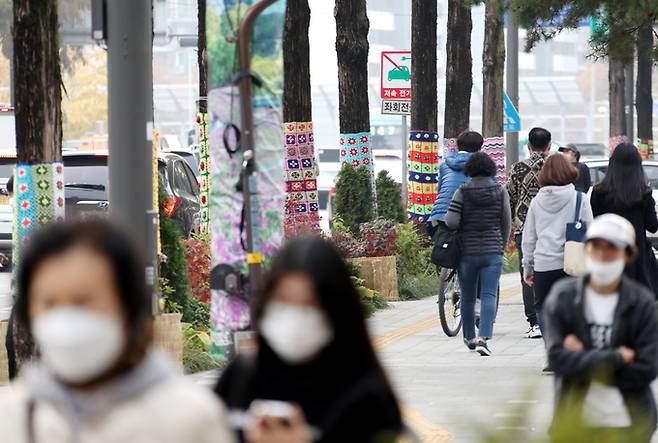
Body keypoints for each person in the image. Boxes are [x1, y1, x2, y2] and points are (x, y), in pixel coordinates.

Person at [0, 220, 235, 443]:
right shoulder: (12, 416)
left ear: (128, 305)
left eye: (82, 301)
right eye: (49, 303)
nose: (65, 319)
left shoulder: (189, 419)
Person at [215, 237, 403, 443]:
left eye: (310, 305)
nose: (295, 319)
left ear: (337, 311)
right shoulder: (242, 377)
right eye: (283, 302)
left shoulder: (367, 402)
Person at [543, 214, 658, 443]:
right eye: (596, 247)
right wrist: (619, 356)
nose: (603, 255)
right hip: (575, 422)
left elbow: (646, 367)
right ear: (587, 250)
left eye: (612, 248)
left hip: (631, 423)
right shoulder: (564, 298)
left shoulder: (641, 302)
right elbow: (557, 359)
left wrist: (582, 357)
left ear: (628, 254)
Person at [445, 152, 511, 356]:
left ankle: (469, 337)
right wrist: (502, 245)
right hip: (493, 251)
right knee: (489, 294)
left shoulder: (462, 191)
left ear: (470, 169)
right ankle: (484, 338)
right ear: (491, 169)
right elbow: (506, 222)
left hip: (468, 252)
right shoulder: (500, 191)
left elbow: (451, 222)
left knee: (468, 296)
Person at [522, 154, 593, 334]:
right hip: (574, 265)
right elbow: (591, 234)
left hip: (544, 265)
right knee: (574, 310)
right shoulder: (580, 199)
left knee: (545, 310)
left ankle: (553, 351)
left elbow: (529, 238)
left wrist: (528, 269)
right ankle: (571, 350)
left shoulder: (537, 201)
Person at [590, 143, 658, 296]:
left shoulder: (598, 193)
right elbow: (653, 226)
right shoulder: (644, 194)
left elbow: (597, 222)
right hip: (637, 257)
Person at [507, 127, 552, 339]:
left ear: (529, 146)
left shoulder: (517, 168)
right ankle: (550, 318)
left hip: (524, 228)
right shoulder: (555, 168)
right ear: (549, 146)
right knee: (554, 271)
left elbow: (510, 198)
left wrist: (511, 225)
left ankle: (534, 322)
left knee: (528, 275)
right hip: (551, 229)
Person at [427, 130, 483, 238]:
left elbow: (440, 191)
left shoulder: (445, 165)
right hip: (468, 217)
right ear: (479, 149)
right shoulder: (482, 165)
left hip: (440, 216)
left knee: (445, 250)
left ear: (458, 146)